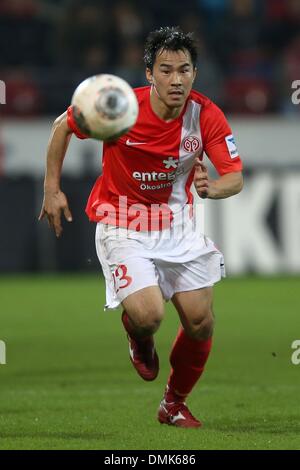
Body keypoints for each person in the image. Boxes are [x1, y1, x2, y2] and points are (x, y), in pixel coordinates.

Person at [39, 26, 243, 428]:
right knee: (150, 315)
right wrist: (51, 189)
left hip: (177, 227)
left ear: (195, 74)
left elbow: (234, 176)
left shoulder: (205, 114)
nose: (176, 80)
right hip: (123, 222)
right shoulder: (119, 107)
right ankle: (138, 335)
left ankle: (173, 404)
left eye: (184, 70)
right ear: (149, 74)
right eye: (166, 70)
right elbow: (62, 126)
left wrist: (213, 188)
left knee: (201, 322)